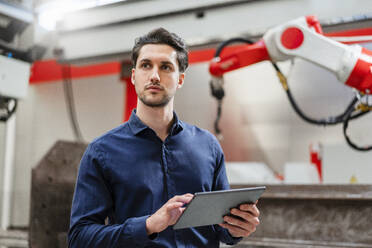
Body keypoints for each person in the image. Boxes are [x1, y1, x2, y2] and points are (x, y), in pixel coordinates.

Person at [68, 27, 260, 248]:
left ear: (180, 79)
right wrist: (148, 225)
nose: (155, 76)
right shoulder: (101, 152)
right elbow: (79, 238)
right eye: (146, 65)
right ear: (133, 76)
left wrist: (238, 227)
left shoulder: (208, 146)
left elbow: (221, 229)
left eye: (166, 67)